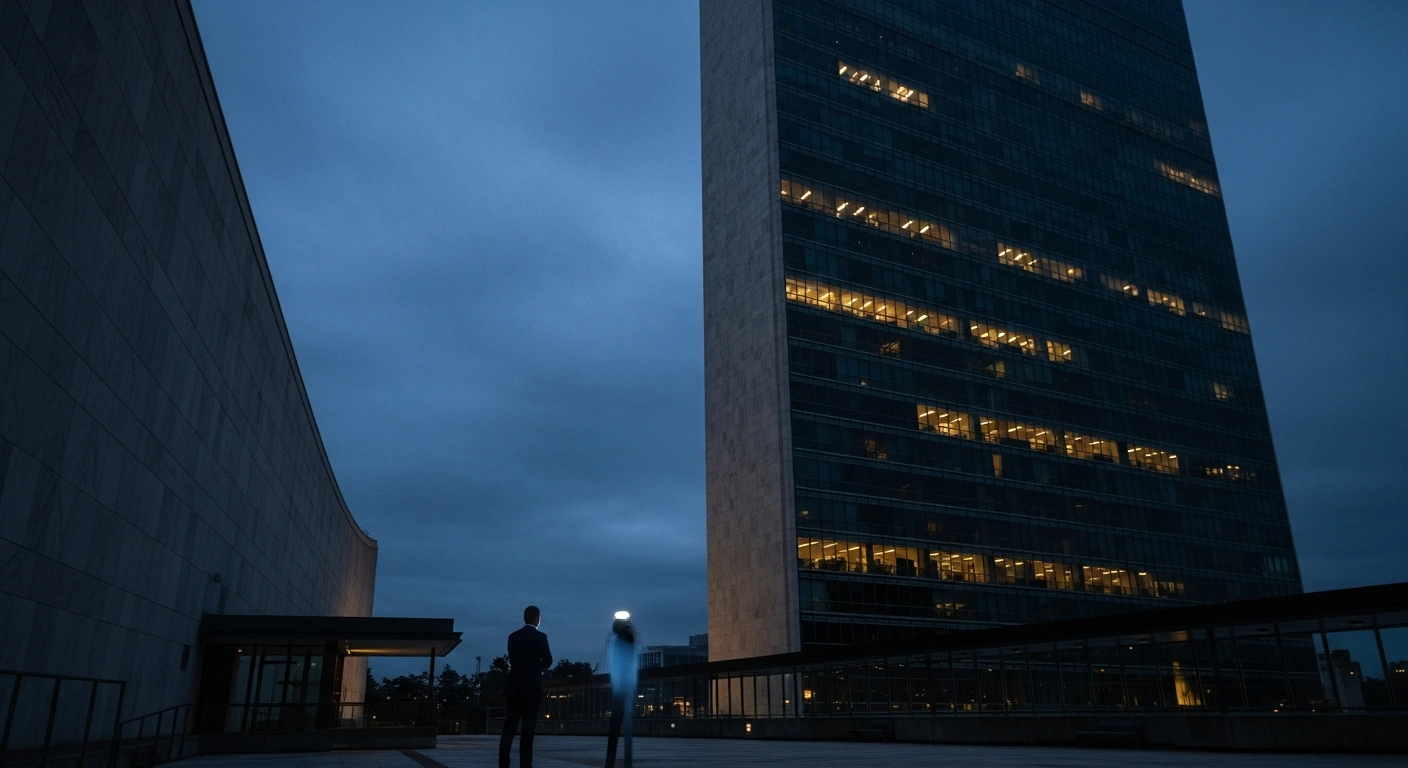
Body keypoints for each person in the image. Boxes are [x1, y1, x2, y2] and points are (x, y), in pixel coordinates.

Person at [500, 605, 552, 768]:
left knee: (509, 726)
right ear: (537, 618)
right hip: (532, 687)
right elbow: (548, 661)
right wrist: (536, 666)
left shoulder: (512, 637)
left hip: (514, 685)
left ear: (524, 617)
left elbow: (512, 658)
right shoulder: (540, 637)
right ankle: (525, 763)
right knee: (528, 729)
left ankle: (503, 762)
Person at [604, 611, 638, 768]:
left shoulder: (613, 639)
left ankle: (611, 759)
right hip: (627, 686)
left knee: (615, 725)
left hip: (618, 687)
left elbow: (611, 662)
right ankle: (626, 759)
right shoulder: (631, 638)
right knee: (627, 725)